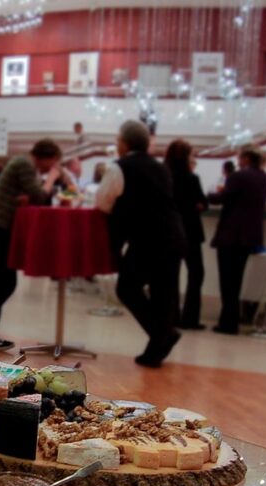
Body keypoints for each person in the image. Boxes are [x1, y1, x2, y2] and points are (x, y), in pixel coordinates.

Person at [95, 121, 187, 367]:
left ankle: (163, 335)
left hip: (147, 239)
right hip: (174, 235)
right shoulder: (161, 168)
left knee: (127, 287)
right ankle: (156, 349)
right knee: (163, 294)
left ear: (124, 143)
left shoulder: (119, 167)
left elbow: (103, 202)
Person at [0, 139, 61, 351]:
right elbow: (40, 196)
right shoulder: (24, 164)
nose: (52, 167)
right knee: (1, 281)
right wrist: (50, 179)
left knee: (0, 281)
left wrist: (23, 197)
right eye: (52, 163)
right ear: (46, 157)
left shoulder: (22, 164)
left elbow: (27, 195)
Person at [208, 146, 266, 335]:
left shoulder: (237, 177)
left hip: (230, 234)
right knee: (237, 278)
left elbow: (223, 198)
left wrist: (208, 196)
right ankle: (231, 320)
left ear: (244, 158)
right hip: (250, 235)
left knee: (227, 281)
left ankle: (228, 321)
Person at [165, 139, 209, 331]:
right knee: (196, 273)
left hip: (170, 230)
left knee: (171, 275)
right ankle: (190, 317)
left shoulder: (164, 176)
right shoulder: (192, 178)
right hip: (191, 230)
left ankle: (171, 315)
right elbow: (202, 203)